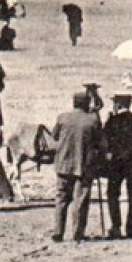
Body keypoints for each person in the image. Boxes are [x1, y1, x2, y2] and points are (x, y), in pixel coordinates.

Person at [50, 90, 105, 242]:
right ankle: (77, 234)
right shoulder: (92, 120)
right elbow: (101, 143)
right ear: (87, 104)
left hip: (63, 164)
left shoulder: (62, 118)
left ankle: (58, 232)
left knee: (61, 199)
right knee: (80, 201)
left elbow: (54, 136)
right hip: (84, 166)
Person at [102, 93, 132, 239]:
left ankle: (116, 227)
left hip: (116, 164)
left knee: (112, 194)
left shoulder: (112, 121)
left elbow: (105, 138)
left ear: (118, 105)